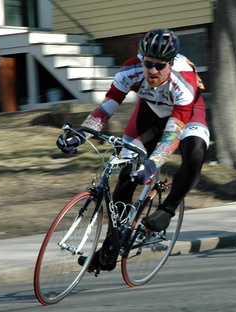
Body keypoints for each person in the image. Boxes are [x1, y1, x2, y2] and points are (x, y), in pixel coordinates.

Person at [56, 28, 209, 272]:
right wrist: (80, 134)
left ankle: (167, 210)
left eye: (160, 66)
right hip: (150, 112)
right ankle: (110, 248)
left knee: (195, 155)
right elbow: (107, 107)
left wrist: (151, 164)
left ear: (170, 64)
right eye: (148, 63)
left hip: (186, 115)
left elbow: (173, 134)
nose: (153, 70)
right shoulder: (131, 70)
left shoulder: (183, 82)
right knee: (126, 175)